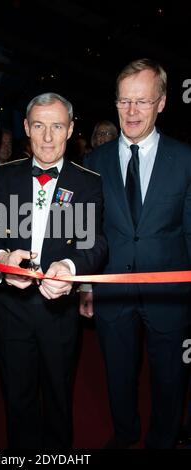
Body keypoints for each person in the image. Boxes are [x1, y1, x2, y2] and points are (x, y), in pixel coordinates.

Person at [0, 92, 107, 449]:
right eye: (39, 126)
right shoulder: (5, 176)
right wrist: (1, 258)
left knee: (60, 396)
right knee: (17, 398)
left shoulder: (87, 181)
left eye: (57, 126)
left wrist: (70, 265)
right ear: (27, 129)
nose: (48, 137)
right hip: (11, 310)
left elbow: (95, 242)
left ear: (71, 130)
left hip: (59, 313)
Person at [81, 58, 191, 449]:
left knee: (170, 377)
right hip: (113, 291)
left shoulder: (186, 160)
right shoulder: (94, 162)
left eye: (142, 102)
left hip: (170, 294)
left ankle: (163, 439)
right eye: (124, 101)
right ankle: (125, 435)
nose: (131, 112)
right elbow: (88, 232)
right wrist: (86, 287)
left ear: (161, 103)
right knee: (118, 375)